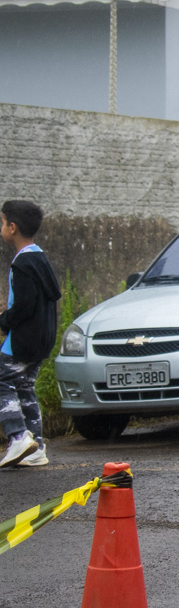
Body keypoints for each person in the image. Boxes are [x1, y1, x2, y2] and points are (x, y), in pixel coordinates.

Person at [0, 200, 61, 468]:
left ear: (12, 228)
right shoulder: (40, 257)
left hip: (23, 340)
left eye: (2, 223)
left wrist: (4, 320)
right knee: (24, 387)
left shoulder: (22, 263)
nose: (1, 228)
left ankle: (17, 437)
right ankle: (37, 447)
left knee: (1, 381)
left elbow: (23, 306)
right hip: (42, 339)